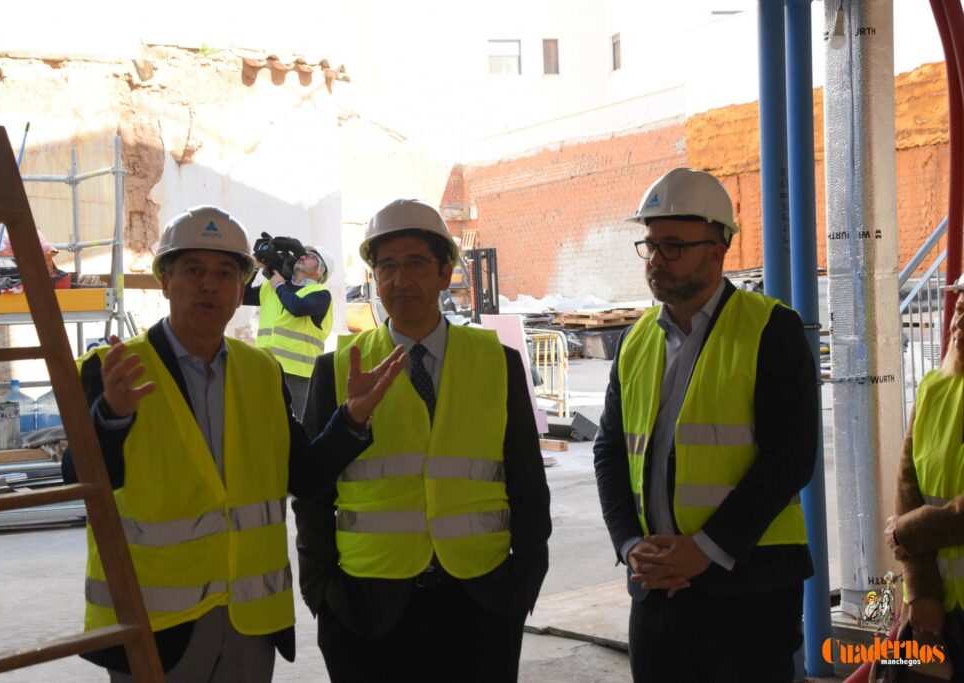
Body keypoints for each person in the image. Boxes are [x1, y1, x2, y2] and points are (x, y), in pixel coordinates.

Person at [62, 206, 406, 682]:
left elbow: (302, 476)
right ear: (165, 280)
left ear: (240, 285)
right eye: (194, 271)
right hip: (154, 627)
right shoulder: (114, 367)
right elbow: (77, 480)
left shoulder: (261, 371)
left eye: (225, 272)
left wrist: (350, 420)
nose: (210, 285)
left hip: (249, 625)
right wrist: (111, 418)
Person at [293, 198, 552, 682]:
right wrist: (322, 592)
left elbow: (527, 483)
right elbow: (311, 492)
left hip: (482, 600)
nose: (400, 280)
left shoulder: (497, 362)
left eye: (415, 263)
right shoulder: (337, 369)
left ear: (445, 272)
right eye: (386, 266)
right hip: (367, 607)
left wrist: (524, 582)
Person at [593, 168, 817, 682]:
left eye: (672, 246)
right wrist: (631, 546)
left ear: (717, 251)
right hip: (654, 589)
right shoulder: (635, 340)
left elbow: (790, 457)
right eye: (649, 246)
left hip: (750, 590)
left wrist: (705, 550)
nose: (656, 261)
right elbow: (609, 451)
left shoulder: (771, 328)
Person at [884, 276, 964, 680]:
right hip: (942, 608)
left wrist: (906, 531)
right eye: (961, 308)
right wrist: (921, 590)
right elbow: (907, 488)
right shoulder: (935, 388)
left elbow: (912, 520)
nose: (960, 322)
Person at [243, 241, 335, 417]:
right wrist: (255, 266)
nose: (302, 256)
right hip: (265, 368)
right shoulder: (273, 288)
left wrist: (279, 284)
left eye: (310, 256)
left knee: (299, 426)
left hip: (297, 375)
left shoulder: (320, 293)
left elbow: (297, 307)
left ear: (321, 270)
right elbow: (241, 295)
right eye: (302, 254)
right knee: (262, 421)